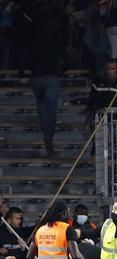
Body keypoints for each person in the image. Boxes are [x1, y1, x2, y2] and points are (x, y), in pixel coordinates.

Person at [22, 0, 64, 156]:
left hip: (36, 77)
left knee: (41, 104)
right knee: (51, 110)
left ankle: (47, 136)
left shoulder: (33, 36)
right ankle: (48, 137)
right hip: (49, 77)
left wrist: (22, 72)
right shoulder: (54, 36)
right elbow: (63, 54)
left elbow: (24, 55)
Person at [84, 59, 117, 138]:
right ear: (105, 69)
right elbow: (90, 104)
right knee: (97, 148)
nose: (110, 71)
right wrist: (88, 121)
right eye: (108, 69)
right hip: (100, 123)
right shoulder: (97, 83)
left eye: (112, 69)